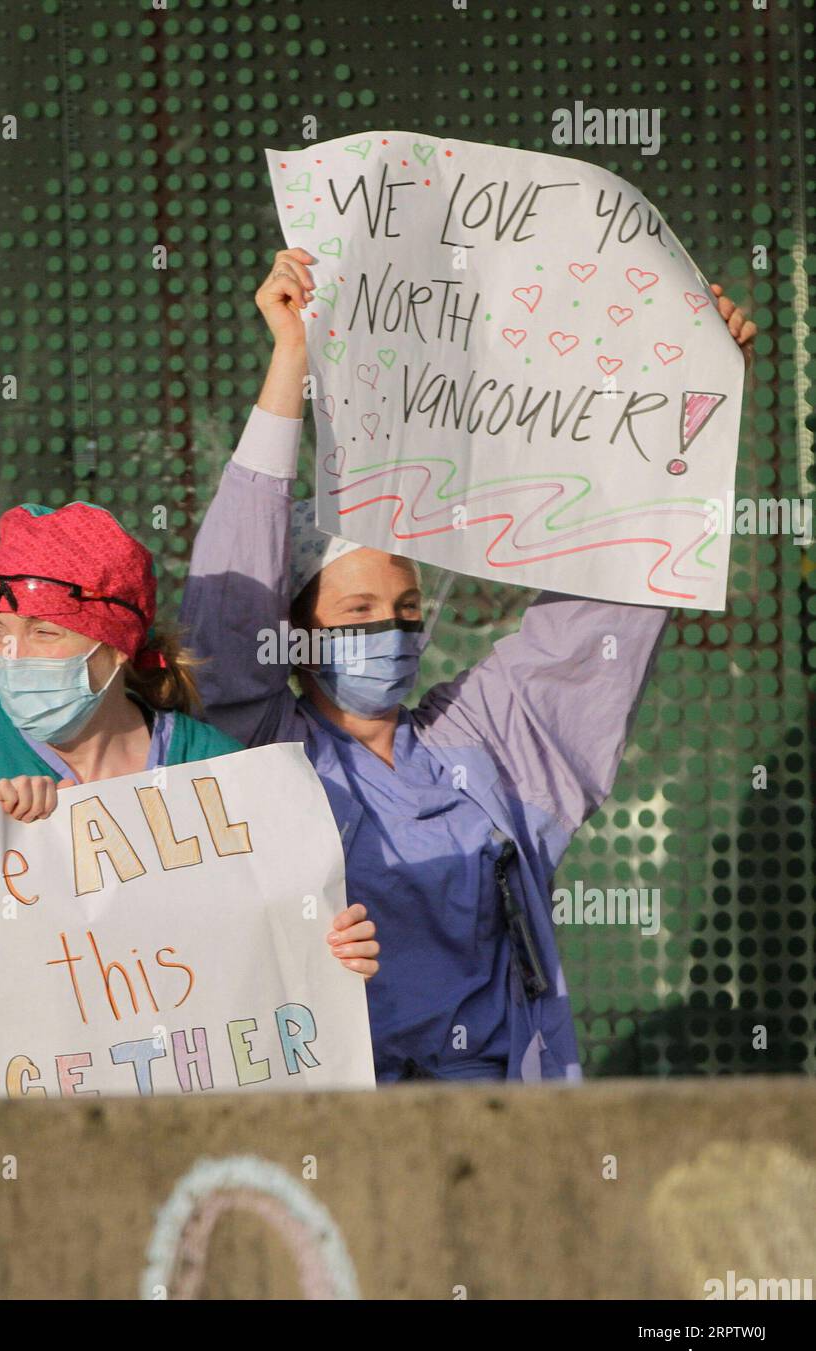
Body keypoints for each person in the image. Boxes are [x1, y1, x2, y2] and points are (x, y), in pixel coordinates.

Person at [179, 247, 757, 1085]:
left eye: (407, 611)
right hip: (334, 1130)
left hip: (500, 1124)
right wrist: (290, 362)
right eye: (356, 612)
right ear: (292, 634)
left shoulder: (486, 747)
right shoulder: (260, 757)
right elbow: (226, 619)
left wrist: (695, 406)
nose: (390, 630)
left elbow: (610, 602)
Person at [0, 499, 378, 993]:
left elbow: (281, 952)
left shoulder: (216, 772)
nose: (12, 656)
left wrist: (329, 951)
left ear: (117, 649)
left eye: (45, 634)